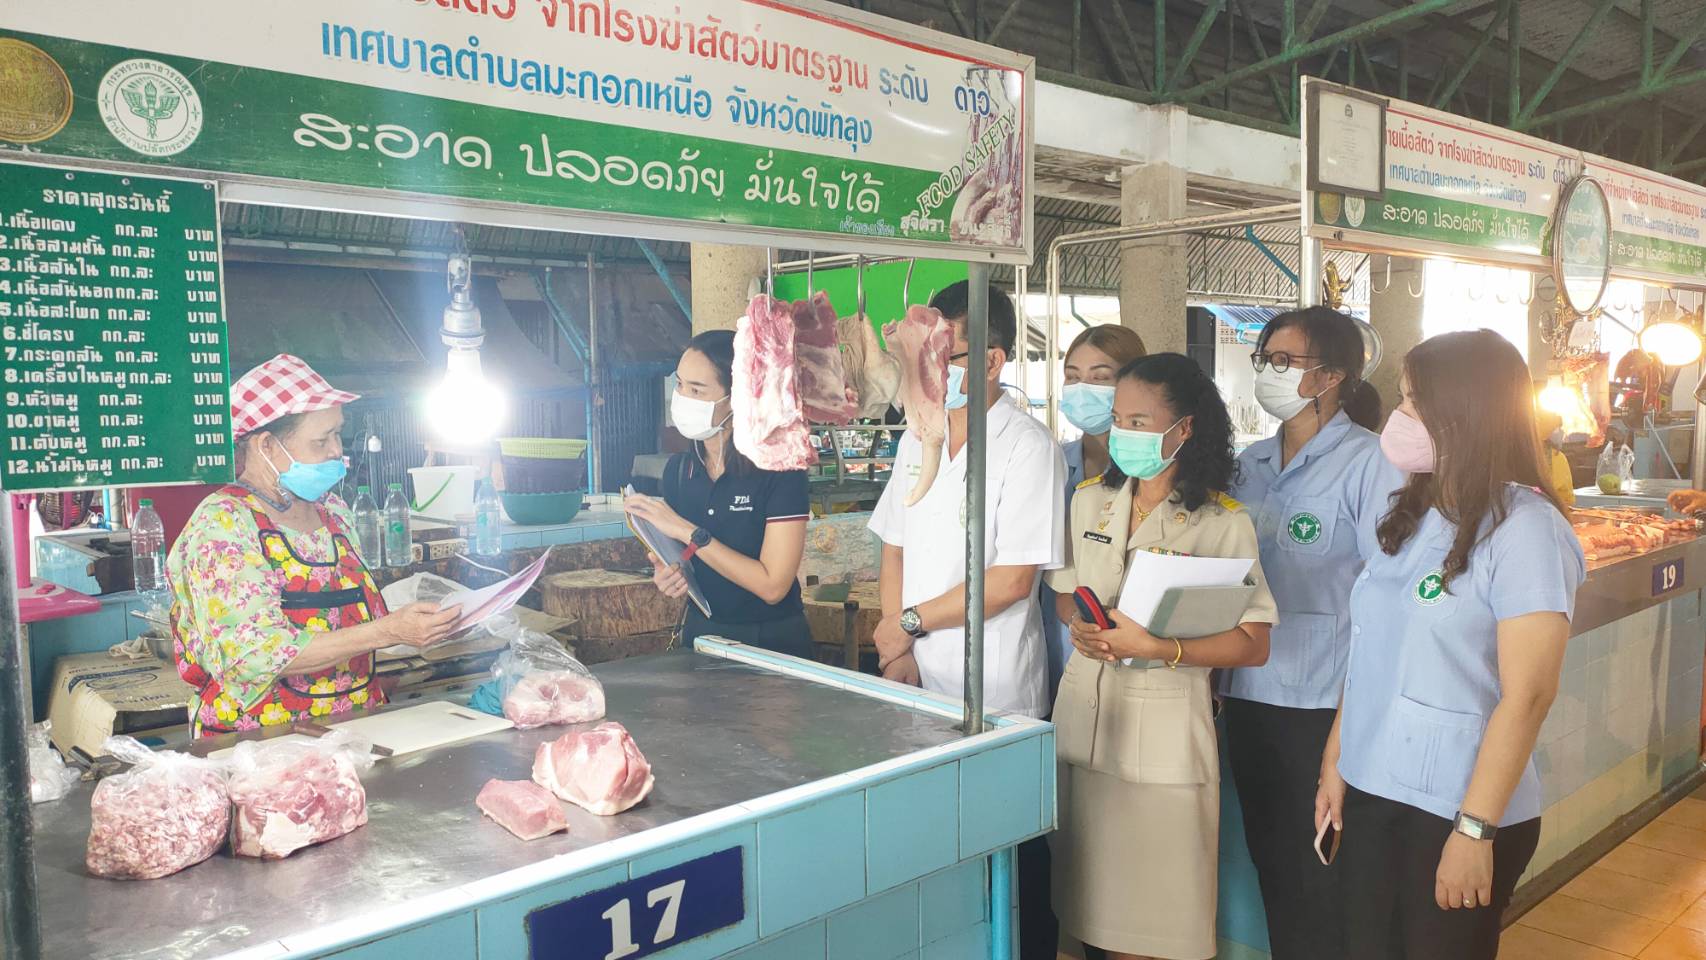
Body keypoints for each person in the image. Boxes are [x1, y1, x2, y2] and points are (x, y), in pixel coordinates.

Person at [1315, 330, 1586, 960]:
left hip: (1457, 807)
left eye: (1415, 404)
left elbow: (1529, 696)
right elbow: (1370, 655)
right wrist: (1337, 761)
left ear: (1467, 414)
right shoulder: (1416, 508)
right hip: (1375, 784)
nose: (1398, 418)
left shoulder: (1527, 530)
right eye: (1403, 400)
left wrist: (1474, 831)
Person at [1046, 353, 1277, 960]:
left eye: (1141, 422)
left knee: (1151, 922)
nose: (1124, 433)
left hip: (1165, 738)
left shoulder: (1222, 523)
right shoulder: (1090, 500)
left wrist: (1158, 646)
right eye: (1119, 419)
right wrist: (1080, 625)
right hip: (1086, 725)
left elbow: (1254, 644)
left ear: (1185, 429)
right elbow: (1069, 595)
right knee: (1079, 909)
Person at [868, 280, 1065, 960]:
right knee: (936, 855)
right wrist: (898, 645)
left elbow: (1012, 580)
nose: (927, 372)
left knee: (1008, 857)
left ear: (988, 361)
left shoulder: (1027, 447)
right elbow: (892, 543)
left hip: (997, 688)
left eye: (942, 355)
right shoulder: (914, 439)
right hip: (918, 678)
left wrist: (911, 624)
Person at [1220, 307, 1402, 960]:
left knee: (1325, 874)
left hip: (1325, 705)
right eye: (1263, 359)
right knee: (1271, 861)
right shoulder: (1250, 462)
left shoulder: (1369, 463)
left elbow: (1389, 594)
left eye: (1282, 361)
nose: (1266, 372)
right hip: (1247, 692)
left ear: (1330, 376)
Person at [168, 355, 463, 736]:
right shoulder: (223, 525)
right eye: (321, 440)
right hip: (260, 745)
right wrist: (389, 632)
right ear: (267, 446)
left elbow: (352, 623)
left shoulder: (334, 514)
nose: (334, 451)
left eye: (338, 435)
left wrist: (423, 625)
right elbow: (253, 655)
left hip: (353, 732)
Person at [625, 330, 813, 656]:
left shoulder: (780, 471)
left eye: (697, 389)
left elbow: (772, 586)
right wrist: (670, 571)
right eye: (681, 384)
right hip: (703, 636)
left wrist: (688, 533)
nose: (682, 397)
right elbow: (686, 557)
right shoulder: (679, 472)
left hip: (772, 643)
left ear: (736, 397)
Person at [1044, 324, 1147, 698]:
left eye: (1100, 378)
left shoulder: (1152, 471)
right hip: (1059, 640)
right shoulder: (1052, 463)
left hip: (1130, 647)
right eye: (1073, 378)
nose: (1082, 390)